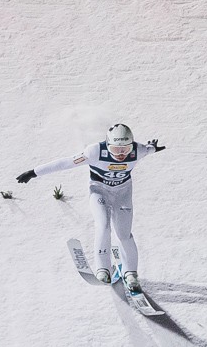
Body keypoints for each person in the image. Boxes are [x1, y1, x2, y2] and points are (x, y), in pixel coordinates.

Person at [17, 123, 165, 292]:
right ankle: (103, 269)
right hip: (99, 191)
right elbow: (67, 162)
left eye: (125, 149)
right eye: (116, 150)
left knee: (124, 234)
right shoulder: (95, 152)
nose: (121, 154)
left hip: (122, 193)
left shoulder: (138, 150)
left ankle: (130, 273)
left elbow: (148, 149)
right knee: (103, 226)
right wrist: (34, 172)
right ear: (107, 145)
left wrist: (152, 148)